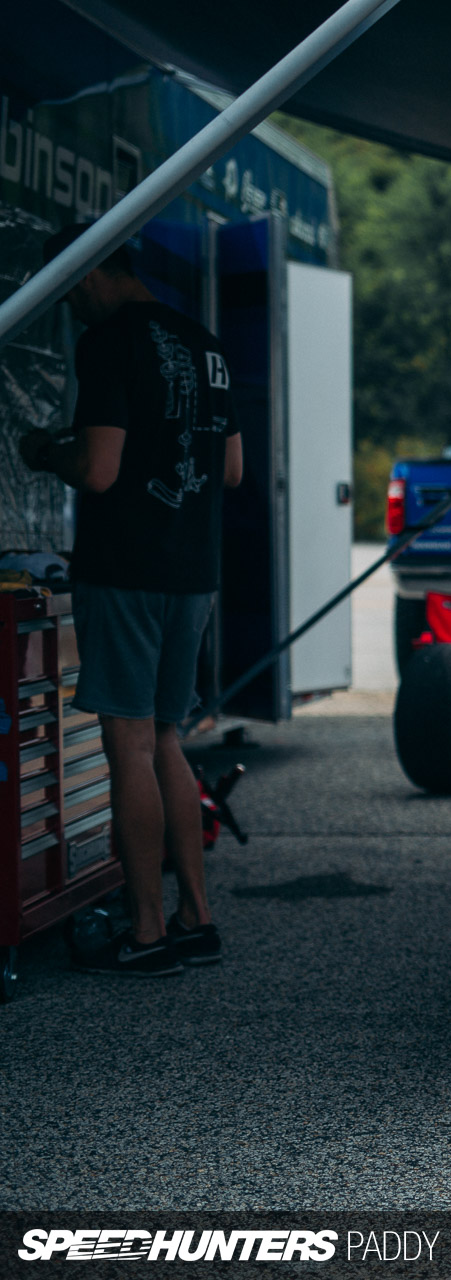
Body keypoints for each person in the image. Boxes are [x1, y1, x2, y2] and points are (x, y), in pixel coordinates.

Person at [17, 224, 242, 976]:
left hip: (125, 568)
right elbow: (233, 468)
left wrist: (49, 451)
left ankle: (146, 932)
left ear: (85, 277)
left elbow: (102, 468)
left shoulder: (109, 341)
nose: (70, 307)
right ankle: (196, 918)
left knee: (129, 745)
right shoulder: (206, 345)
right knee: (169, 736)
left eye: (66, 289)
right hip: (194, 572)